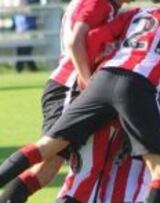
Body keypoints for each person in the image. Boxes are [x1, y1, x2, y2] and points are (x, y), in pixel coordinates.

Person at [0, 0, 160, 202]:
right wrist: (86, 78)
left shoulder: (134, 14)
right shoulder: (102, 3)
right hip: (76, 86)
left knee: (53, 162)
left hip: (100, 81)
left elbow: (95, 37)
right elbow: (78, 41)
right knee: (79, 171)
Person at [0, 0, 133, 202]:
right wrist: (88, 82)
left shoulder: (108, 6)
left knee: (47, 168)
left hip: (72, 86)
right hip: (69, 87)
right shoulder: (100, 3)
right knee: (47, 152)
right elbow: (74, 41)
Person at [13, 0, 39, 72]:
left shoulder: (31, 2)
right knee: (21, 50)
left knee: (26, 50)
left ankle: (30, 68)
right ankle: (23, 68)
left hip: (28, 27)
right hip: (21, 29)